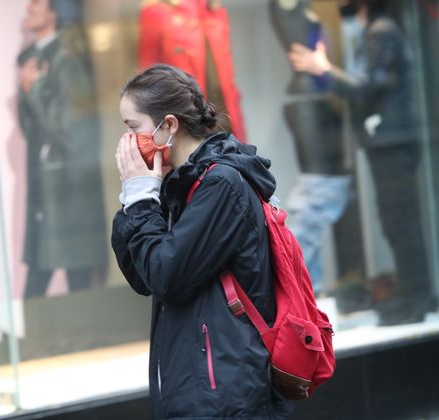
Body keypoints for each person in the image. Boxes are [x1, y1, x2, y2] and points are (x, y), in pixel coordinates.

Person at [111, 64, 292, 419]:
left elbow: (166, 277)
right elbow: (141, 275)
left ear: (168, 126)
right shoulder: (177, 183)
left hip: (223, 392)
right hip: (194, 383)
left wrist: (142, 200)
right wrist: (134, 197)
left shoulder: (221, 185)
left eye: (133, 128)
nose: (127, 142)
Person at [289, 0, 437, 325]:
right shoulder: (378, 29)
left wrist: (323, 69)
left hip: (392, 142)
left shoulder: (381, 31)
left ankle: (416, 297)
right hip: (389, 141)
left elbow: (363, 86)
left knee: (400, 220)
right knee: (398, 219)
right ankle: (415, 294)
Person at [17, 0, 108, 298]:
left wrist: (34, 89)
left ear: (55, 12)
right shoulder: (31, 56)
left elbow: (70, 125)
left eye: (37, 4)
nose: (29, 9)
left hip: (69, 177)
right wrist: (30, 90)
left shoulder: (67, 56)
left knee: (72, 264)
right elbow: (30, 124)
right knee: (50, 260)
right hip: (47, 174)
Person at [269, 0, 353, 295]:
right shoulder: (287, 6)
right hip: (307, 103)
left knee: (325, 191)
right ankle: (305, 290)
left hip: (320, 101)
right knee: (319, 192)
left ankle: (310, 287)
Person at [138, 0, 248, 142]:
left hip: (225, 114)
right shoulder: (156, 12)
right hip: (185, 117)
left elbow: (227, 72)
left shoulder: (215, 11)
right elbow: (148, 76)